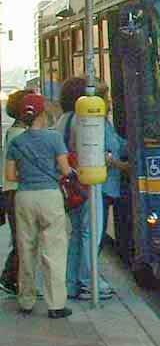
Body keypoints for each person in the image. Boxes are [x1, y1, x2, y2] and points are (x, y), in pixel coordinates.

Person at [4, 93, 73, 318]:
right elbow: (65, 171)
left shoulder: (16, 141)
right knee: (54, 250)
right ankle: (56, 305)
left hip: (24, 197)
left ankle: (26, 300)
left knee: (26, 248)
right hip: (50, 196)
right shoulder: (54, 139)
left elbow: (10, 175)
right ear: (43, 113)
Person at [56, 77, 113, 301]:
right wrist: (107, 157)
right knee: (91, 231)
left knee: (77, 233)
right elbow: (90, 149)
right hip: (86, 182)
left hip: (70, 186)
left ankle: (71, 283)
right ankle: (89, 281)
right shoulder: (82, 118)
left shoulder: (63, 118)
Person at [0, 89, 34, 295]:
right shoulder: (20, 135)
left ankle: (11, 276)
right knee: (23, 239)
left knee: (21, 238)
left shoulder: (13, 131)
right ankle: (11, 277)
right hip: (16, 191)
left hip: (11, 191)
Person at [97, 83, 128, 252]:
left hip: (107, 187)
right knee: (96, 233)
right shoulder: (94, 124)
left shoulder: (105, 123)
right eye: (106, 100)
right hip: (99, 188)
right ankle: (87, 277)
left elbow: (118, 144)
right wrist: (123, 166)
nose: (110, 103)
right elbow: (101, 156)